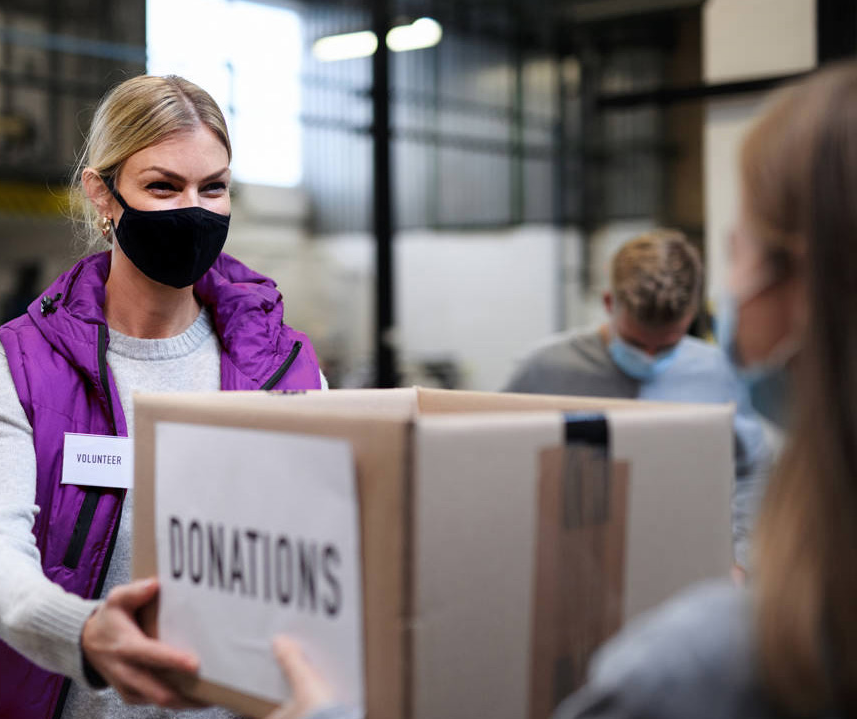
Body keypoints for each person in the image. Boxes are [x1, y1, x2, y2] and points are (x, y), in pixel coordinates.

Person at [270, 61, 857, 719]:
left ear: (801, 289)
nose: (655, 359)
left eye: (740, 244)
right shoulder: (547, 368)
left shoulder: (708, 665)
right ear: (609, 304)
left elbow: (748, 474)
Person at [0, 74, 325, 719]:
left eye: (213, 186)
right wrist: (81, 632)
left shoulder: (285, 367)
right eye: (162, 186)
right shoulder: (19, 365)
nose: (194, 209)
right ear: (103, 193)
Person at [503, 230, 772, 572]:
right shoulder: (544, 369)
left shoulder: (718, 372)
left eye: (666, 346)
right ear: (608, 303)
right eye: (634, 342)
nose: (648, 357)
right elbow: (497, 465)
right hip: (576, 567)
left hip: (685, 566)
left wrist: (740, 556)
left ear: (691, 315)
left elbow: (753, 469)